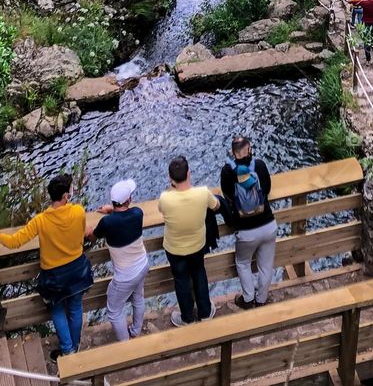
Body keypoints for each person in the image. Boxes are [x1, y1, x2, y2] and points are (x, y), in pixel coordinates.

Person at [0, 174, 92, 359]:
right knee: (75, 307)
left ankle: (68, 351)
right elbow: (83, 233)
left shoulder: (41, 221)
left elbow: (14, 241)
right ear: (66, 196)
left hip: (55, 277)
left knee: (57, 309)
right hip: (77, 272)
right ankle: (75, 346)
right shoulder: (79, 212)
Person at [158, 155, 220, 327]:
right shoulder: (202, 193)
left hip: (174, 248)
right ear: (189, 173)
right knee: (199, 274)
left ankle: (187, 317)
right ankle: (205, 312)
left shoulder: (165, 198)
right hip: (197, 245)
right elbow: (216, 206)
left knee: (181, 280)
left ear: (170, 179)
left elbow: (161, 211)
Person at [220, 136, 276, 310]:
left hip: (246, 231)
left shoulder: (227, 171)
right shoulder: (259, 165)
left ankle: (248, 298)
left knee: (243, 263)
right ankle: (261, 299)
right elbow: (266, 189)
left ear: (233, 152)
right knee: (265, 266)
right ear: (249, 148)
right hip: (268, 224)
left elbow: (228, 196)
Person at [88, 179, 148, 342]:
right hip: (142, 264)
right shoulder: (138, 214)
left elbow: (93, 236)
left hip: (125, 276)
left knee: (114, 311)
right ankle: (135, 331)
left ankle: (125, 345)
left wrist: (108, 213)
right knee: (138, 297)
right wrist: (112, 211)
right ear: (128, 200)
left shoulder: (107, 222)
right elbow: (123, 218)